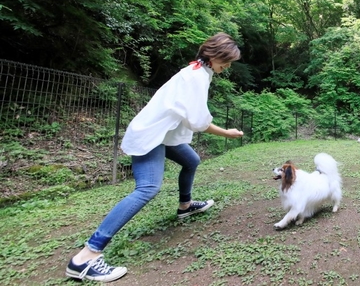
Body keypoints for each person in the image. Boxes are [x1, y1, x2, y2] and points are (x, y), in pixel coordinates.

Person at [66, 33, 245, 282]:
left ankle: (185, 206)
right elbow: (198, 122)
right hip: (151, 136)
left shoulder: (199, 71)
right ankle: (85, 257)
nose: (227, 67)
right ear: (213, 55)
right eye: (227, 61)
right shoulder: (195, 76)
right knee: (147, 188)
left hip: (163, 136)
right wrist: (228, 133)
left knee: (191, 161)